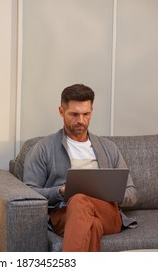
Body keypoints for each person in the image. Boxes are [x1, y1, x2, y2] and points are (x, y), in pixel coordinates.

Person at [23, 83, 138, 252]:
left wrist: (111, 193)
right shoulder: (43, 148)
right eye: (74, 114)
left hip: (107, 213)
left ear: (92, 111)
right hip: (63, 215)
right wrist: (60, 191)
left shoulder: (109, 148)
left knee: (79, 200)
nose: (81, 121)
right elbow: (29, 193)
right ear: (61, 112)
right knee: (93, 225)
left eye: (86, 114)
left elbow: (132, 194)